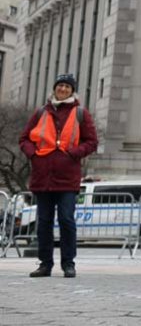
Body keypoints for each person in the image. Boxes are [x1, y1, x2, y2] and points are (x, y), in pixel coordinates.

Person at [19, 73, 98, 278]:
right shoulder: (40, 113)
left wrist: (73, 154)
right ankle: (45, 264)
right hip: (42, 177)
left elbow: (91, 142)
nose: (62, 89)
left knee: (66, 220)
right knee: (43, 222)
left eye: (67, 86)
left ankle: (68, 263)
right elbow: (24, 139)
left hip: (67, 178)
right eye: (60, 86)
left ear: (72, 90)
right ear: (54, 88)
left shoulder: (81, 113)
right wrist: (33, 155)